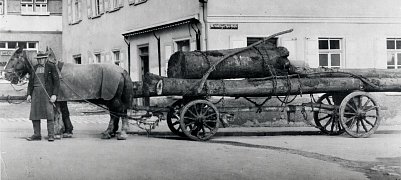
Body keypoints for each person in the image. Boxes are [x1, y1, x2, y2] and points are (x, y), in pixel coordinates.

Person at [26, 51, 60, 142]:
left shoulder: (51, 67)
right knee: (35, 114)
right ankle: (37, 134)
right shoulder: (34, 68)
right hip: (35, 94)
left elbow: (57, 82)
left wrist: (54, 95)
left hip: (47, 94)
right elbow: (30, 83)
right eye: (39, 59)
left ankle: (51, 135)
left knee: (49, 114)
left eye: (42, 59)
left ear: (45, 59)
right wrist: (29, 94)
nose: (40, 61)